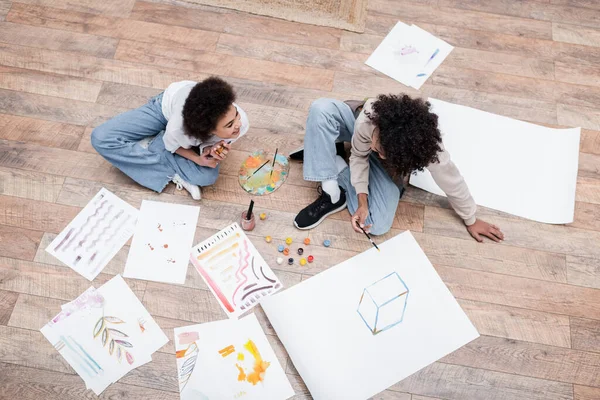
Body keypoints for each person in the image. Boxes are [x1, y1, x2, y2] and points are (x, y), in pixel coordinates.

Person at [291, 95, 504, 243]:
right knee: (322, 109)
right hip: (353, 129)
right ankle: (332, 189)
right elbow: (359, 154)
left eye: (385, 152)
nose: (376, 150)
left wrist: (471, 219)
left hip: (383, 165)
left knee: (379, 225)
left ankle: (328, 156)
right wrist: (362, 200)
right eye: (378, 144)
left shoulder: (428, 150)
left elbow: (452, 181)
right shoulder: (371, 118)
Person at [91, 77, 249, 200]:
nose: (239, 124)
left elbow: (209, 144)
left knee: (207, 177)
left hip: (191, 127)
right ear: (209, 130)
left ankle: (151, 145)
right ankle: (165, 164)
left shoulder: (240, 122)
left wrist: (208, 151)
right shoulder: (178, 128)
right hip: (164, 111)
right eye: (230, 125)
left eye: (236, 115)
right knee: (101, 138)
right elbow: (171, 145)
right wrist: (196, 159)